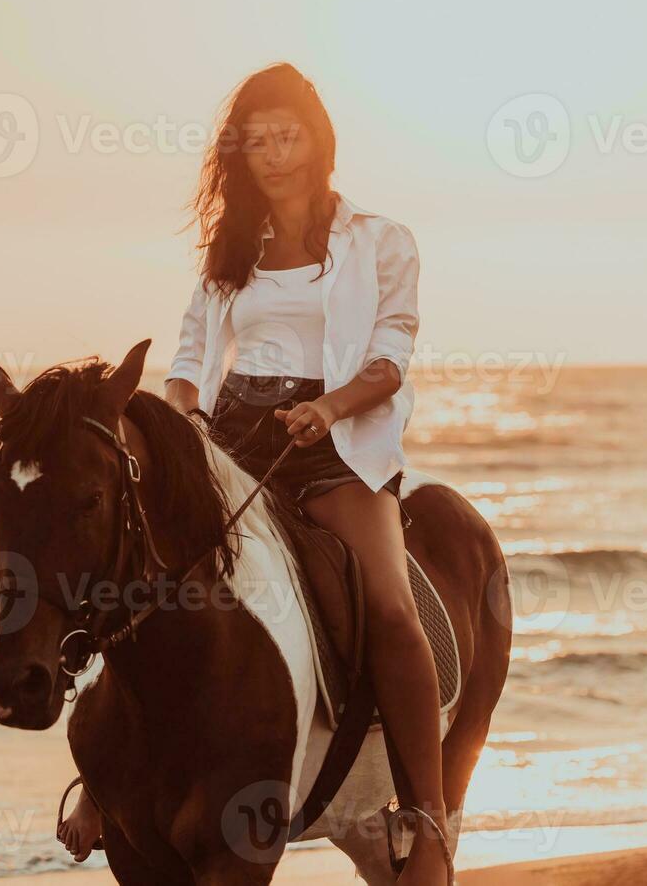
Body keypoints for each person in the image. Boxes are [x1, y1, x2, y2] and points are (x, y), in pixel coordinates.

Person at [57, 63, 447, 884]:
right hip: (233, 437)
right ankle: (104, 779)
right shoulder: (229, 251)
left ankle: (428, 819)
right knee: (139, 578)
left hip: (339, 447)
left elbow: (391, 358)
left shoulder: (381, 241)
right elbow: (192, 356)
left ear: (319, 141)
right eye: (257, 140)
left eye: (288, 136)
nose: (274, 155)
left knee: (386, 605)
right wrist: (175, 423)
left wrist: (330, 409)